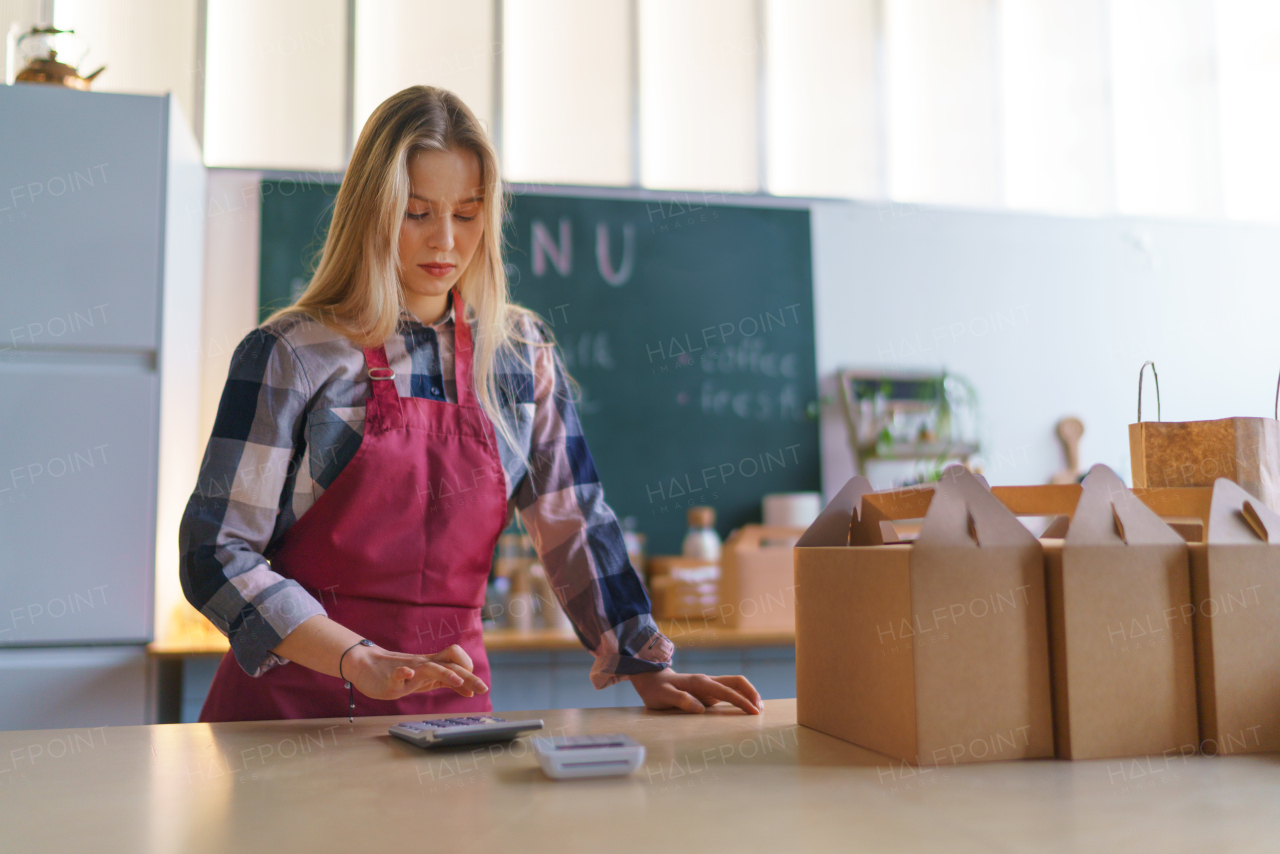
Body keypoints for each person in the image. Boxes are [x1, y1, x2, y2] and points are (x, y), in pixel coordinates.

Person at [180, 85, 762, 723]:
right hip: (290, 711)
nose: (446, 243)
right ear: (372, 211)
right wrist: (358, 657)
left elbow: (572, 521)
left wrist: (644, 665)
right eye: (417, 212)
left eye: (467, 213)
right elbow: (215, 551)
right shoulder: (291, 354)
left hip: (450, 717)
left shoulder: (520, 353)